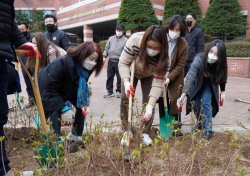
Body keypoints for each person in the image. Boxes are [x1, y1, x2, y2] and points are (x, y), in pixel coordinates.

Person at [0, 0, 38, 175]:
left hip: (3, 58)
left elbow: (7, 20)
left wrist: (21, 41)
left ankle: (3, 168)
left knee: (0, 115)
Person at [38, 41, 103, 142]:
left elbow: (81, 85)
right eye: (91, 59)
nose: (93, 63)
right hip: (47, 89)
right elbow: (50, 90)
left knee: (82, 107)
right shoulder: (62, 63)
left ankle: (76, 136)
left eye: (96, 60)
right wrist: (64, 108)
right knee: (55, 110)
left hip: (67, 88)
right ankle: (56, 141)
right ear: (82, 54)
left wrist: (83, 102)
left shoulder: (87, 68)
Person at [119, 25, 169, 146]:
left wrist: (151, 106)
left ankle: (145, 131)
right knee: (125, 98)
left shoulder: (165, 58)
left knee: (148, 101)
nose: (152, 50)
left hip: (149, 74)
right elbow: (123, 62)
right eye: (149, 46)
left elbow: (158, 83)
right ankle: (127, 129)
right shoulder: (134, 41)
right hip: (131, 71)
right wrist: (126, 82)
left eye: (156, 48)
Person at [177, 39, 227, 140]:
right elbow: (190, 76)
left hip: (209, 84)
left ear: (221, 56)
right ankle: (200, 123)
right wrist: (184, 93)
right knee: (196, 105)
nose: (212, 55)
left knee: (206, 102)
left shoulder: (221, 63)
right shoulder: (199, 59)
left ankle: (208, 130)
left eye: (216, 54)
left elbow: (223, 76)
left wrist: (223, 91)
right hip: (197, 83)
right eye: (211, 51)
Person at [157, 15, 188, 136]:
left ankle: (174, 127)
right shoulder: (160, 38)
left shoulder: (183, 44)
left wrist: (169, 78)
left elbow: (181, 65)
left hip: (175, 75)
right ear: (168, 27)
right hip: (159, 74)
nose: (175, 32)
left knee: (175, 100)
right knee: (160, 98)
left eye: (178, 30)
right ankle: (163, 126)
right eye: (173, 29)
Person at [103, 24, 127, 98]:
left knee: (119, 77)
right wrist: (104, 56)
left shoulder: (126, 40)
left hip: (120, 61)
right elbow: (106, 48)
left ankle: (119, 91)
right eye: (117, 30)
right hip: (111, 60)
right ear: (115, 30)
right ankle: (109, 91)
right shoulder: (111, 38)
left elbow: (126, 51)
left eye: (120, 30)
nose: (118, 31)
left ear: (123, 31)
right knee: (109, 76)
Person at [17, 21, 35, 105]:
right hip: (24, 65)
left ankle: (41, 100)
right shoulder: (16, 40)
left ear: (27, 29)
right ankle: (32, 101)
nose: (20, 31)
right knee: (28, 84)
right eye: (19, 30)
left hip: (34, 64)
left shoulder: (33, 38)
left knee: (39, 82)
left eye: (22, 29)